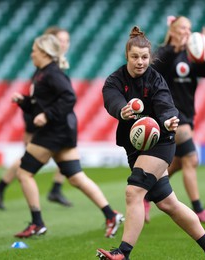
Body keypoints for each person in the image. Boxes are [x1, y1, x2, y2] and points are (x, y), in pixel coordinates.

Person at [96, 26, 205, 260]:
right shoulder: (114, 80)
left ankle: (122, 253)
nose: (140, 62)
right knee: (168, 204)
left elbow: (165, 104)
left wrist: (169, 120)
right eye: (135, 57)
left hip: (161, 141)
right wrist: (121, 110)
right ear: (127, 56)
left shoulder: (155, 79)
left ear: (150, 58)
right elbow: (111, 99)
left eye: (144, 57)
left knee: (134, 192)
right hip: (135, 148)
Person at [12, 33, 124, 238]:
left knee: (24, 173)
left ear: (45, 53)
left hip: (54, 132)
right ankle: (111, 214)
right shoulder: (42, 73)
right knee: (75, 177)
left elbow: (69, 97)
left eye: (34, 50)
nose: (31, 54)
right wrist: (24, 102)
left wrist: (47, 115)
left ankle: (37, 223)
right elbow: (43, 103)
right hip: (63, 131)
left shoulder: (52, 73)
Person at [148, 15, 205, 225]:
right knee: (191, 158)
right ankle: (198, 209)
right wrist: (174, 50)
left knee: (179, 162)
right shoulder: (163, 53)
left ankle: (146, 193)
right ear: (172, 30)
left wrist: (203, 52)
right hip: (170, 113)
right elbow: (155, 73)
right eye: (182, 28)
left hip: (188, 113)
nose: (186, 33)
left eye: (189, 29)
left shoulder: (190, 54)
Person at [0, 26, 73, 210]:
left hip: (44, 118)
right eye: (61, 40)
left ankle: (2, 187)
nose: (65, 44)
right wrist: (37, 118)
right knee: (30, 159)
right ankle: (1, 186)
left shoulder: (54, 66)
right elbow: (42, 97)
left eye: (67, 41)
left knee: (43, 156)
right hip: (39, 119)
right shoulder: (49, 67)